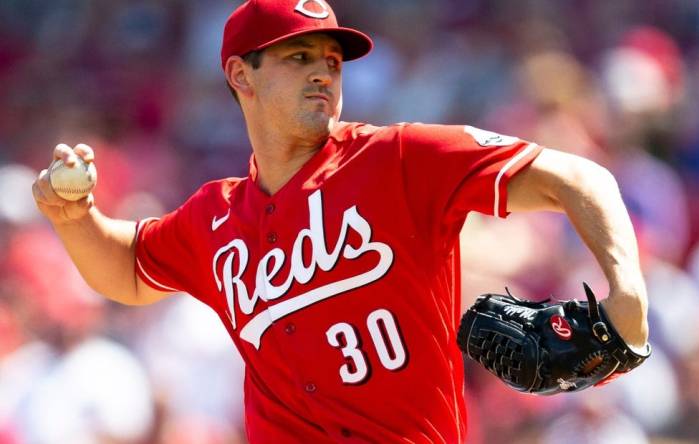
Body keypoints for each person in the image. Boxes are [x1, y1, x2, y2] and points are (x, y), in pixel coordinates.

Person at [31, 0, 649, 442]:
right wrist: (75, 216)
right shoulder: (215, 216)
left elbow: (581, 178)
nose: (324, 71)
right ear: (240, 75)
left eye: (332, 59)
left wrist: (627, 292)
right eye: (299, 57)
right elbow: (129, 270)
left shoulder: (400, 158)